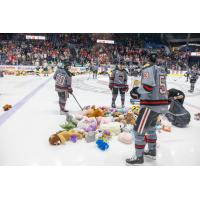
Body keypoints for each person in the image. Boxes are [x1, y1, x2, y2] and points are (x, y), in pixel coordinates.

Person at [126, 53, 168, 165]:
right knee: (151, 128)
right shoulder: (161, 69)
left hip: (151, 105)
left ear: (147, 59)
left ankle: (139, 157)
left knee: (138, 130)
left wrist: (136, 91)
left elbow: (148, 87)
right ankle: (152, 151)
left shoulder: (147, 68)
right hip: (161, 104)